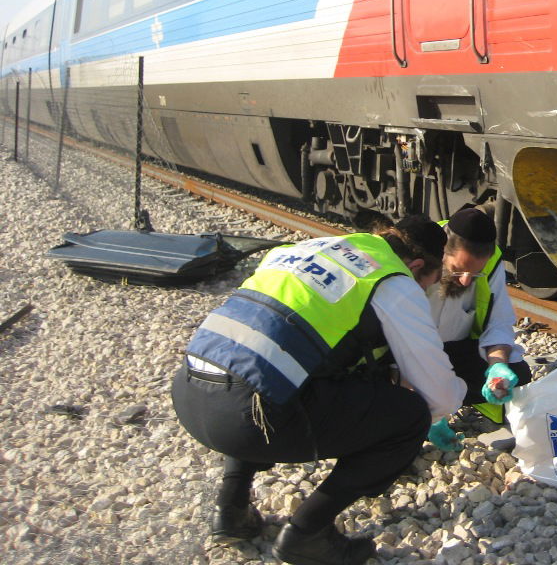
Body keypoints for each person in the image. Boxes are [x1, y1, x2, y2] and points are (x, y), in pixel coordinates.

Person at [172, 215, 466, 565]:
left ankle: (231, 509)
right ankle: (307, 534)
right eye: (428, 284)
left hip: (190, 393)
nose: (424, 292)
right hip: (245, 422)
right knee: (409, 416)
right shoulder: (394, 281)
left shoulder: (313, 248)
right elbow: (441, 396)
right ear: (417, 266)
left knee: (266, 370)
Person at [423, 207, 532, 449]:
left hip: (451, 353)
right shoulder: (418, 256)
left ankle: (440, 400)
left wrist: (498, 367)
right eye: (458, 270)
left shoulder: (490, 263)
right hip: (408, 356)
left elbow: (498, 322)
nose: (465, 281)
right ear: (442, 251)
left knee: (519, 373)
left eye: (476, 274)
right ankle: (426, 409)